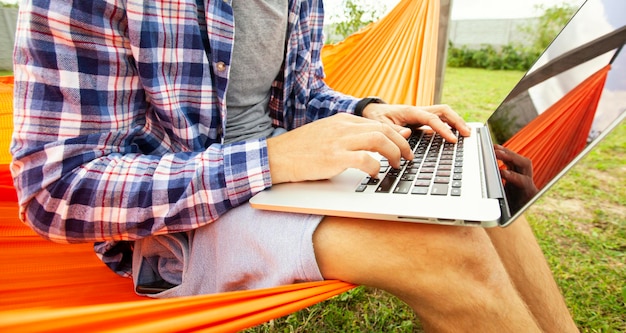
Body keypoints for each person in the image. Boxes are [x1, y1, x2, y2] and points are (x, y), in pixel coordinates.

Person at [11, 0, 578, 331]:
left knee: (483, 188)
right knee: (447, 249)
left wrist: (371, 111)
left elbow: (301, 94)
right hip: (175, 227)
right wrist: (270, 159)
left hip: (288, 170)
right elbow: (55, 189)